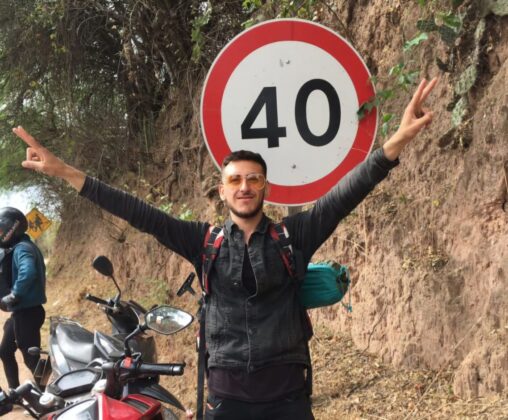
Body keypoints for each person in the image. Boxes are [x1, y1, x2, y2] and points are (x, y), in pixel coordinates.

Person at [14, 78, 438, 419]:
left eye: (254, 179)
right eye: (235, 179)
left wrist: (397, 141)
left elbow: (347, 193)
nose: (244, 187)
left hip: (288, 397)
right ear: (222, 190)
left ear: (266, 187)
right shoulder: (203, 243)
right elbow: (139, 212)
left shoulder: (293, 236)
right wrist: (66, 172)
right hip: (226, 398)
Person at [0, 207, 47, 390]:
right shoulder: (21, 247)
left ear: (11, 228)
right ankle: (15, 393)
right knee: (5, 351)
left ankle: (46, 396)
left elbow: (28, 272)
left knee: (31, 358)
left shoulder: (22, 249)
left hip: (27, 313)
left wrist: (15, 294)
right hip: (22, 313)